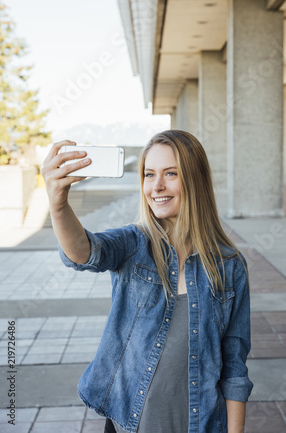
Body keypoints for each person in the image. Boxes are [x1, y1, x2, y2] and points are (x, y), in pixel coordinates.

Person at [42, 130, 253, 433]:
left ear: (196, 180)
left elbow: (234, 367)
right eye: (149, 174)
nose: (157, 186)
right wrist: (58, 205)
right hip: (129, 424)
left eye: (171, 173)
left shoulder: (230, 266)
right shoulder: (133, 244)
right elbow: (84, 252)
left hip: (200, 424)